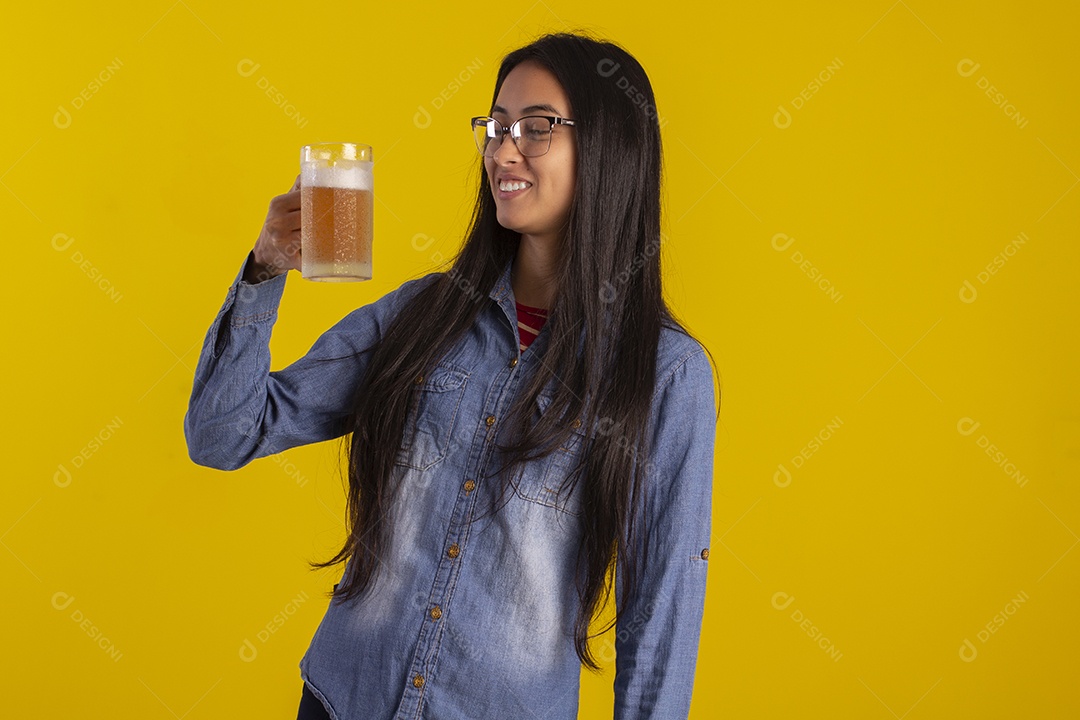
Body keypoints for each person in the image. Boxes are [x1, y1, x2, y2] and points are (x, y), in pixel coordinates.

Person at [185, 30, 721, 720]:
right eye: (495, 126)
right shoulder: (423, 314)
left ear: (610, 147)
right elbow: (223, 435)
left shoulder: (666, 374)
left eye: (537, 128)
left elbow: (661, 610)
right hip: (342, 701)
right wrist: (261, 275)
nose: (503, 150)